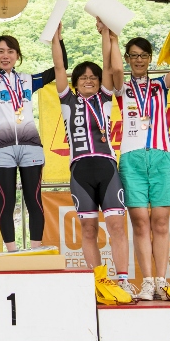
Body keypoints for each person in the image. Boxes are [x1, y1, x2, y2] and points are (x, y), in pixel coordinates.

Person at [51, 19, 133, 297]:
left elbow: (108, 65)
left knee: (116, 226)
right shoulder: (67, 100)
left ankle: (123, 281)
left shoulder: (105, 99)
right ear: (75, 82)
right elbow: (59, 67)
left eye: (93, 77)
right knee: (88, 229)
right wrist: (56, 38)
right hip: (80, 171)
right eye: (83, 77)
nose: (89, 80)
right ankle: (99, 283)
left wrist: (106, 33)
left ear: (99, 82)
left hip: (107, 167)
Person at [0, 25, 67, 252]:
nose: (6, 55)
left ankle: (35, 249)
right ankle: (12, 251)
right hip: (2, 149)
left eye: (10, 51)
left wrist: (58, 38)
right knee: (7, 201)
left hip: (31, 146)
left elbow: (62, 66)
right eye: (0, 51)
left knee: (34, 199)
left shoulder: (29, 80)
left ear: (17, 55)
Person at [111, 24, 170, 300]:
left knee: (161, 221)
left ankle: (162, 281)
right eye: (133, 55)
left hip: (161, 155)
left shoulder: (159, 85)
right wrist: (112, 38)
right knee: (140, 222)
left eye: (143, 55)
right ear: (128, 58)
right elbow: (115, 69)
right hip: (131, 158)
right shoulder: (122, 87)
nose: (139, 60)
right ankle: (147, 282)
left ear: (150, 58)